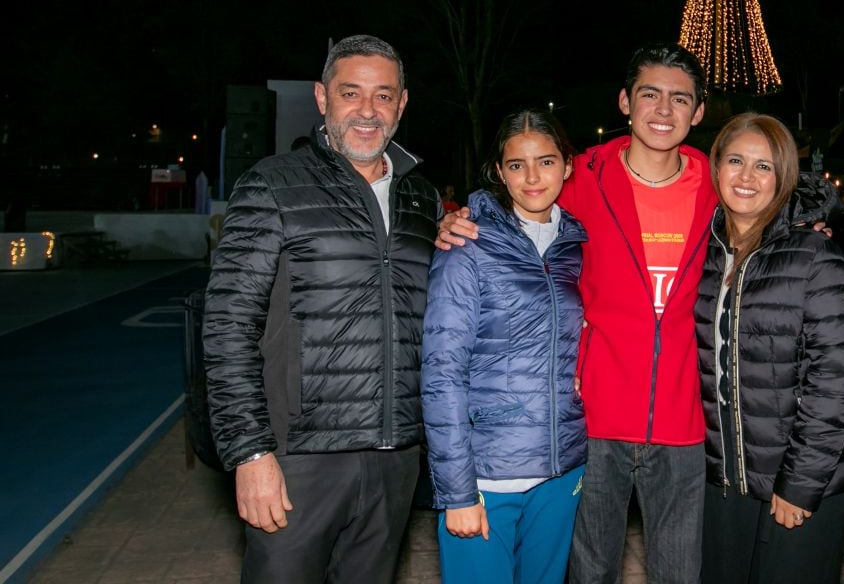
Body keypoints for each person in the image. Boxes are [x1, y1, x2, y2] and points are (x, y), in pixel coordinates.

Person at [438, 43, 716, 583]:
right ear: (624, 102)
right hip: (596, 421)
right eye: (649, 95)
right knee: (589, 573)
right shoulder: (581, 175)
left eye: (679, 99)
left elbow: (775, 195)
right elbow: (517, 189)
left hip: (682, 421)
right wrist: (460, 219)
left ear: (698, 112)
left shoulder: (715, 185)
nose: (663, 110)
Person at [203, 35, 441, 583]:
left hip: (396, 457)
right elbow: (228, 327)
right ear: (321, 98)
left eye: (383, 96)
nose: (367, 110)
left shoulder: (421, 200)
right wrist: (250, 454)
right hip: (296, 460)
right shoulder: (273, 185)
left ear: (402, 104)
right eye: (350, 93)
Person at [694, 114, 844, 584]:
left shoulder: (815, 256)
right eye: (736, 160)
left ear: (784, 176)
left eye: (764, 167)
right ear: (716, 168)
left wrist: (801, 484)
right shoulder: (702, 253)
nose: (747, 177)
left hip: (799, 482)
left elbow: (836, 381)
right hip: (724, 480)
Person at [422, 109, 587, 584]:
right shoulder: (468, 243)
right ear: (499, 171)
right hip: (487, 478)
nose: (533, 177)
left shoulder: (576, 243)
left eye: (547, 161)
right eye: (517, 165)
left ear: (567, 165)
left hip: (561, 473)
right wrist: (457, 492)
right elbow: (441, 372)